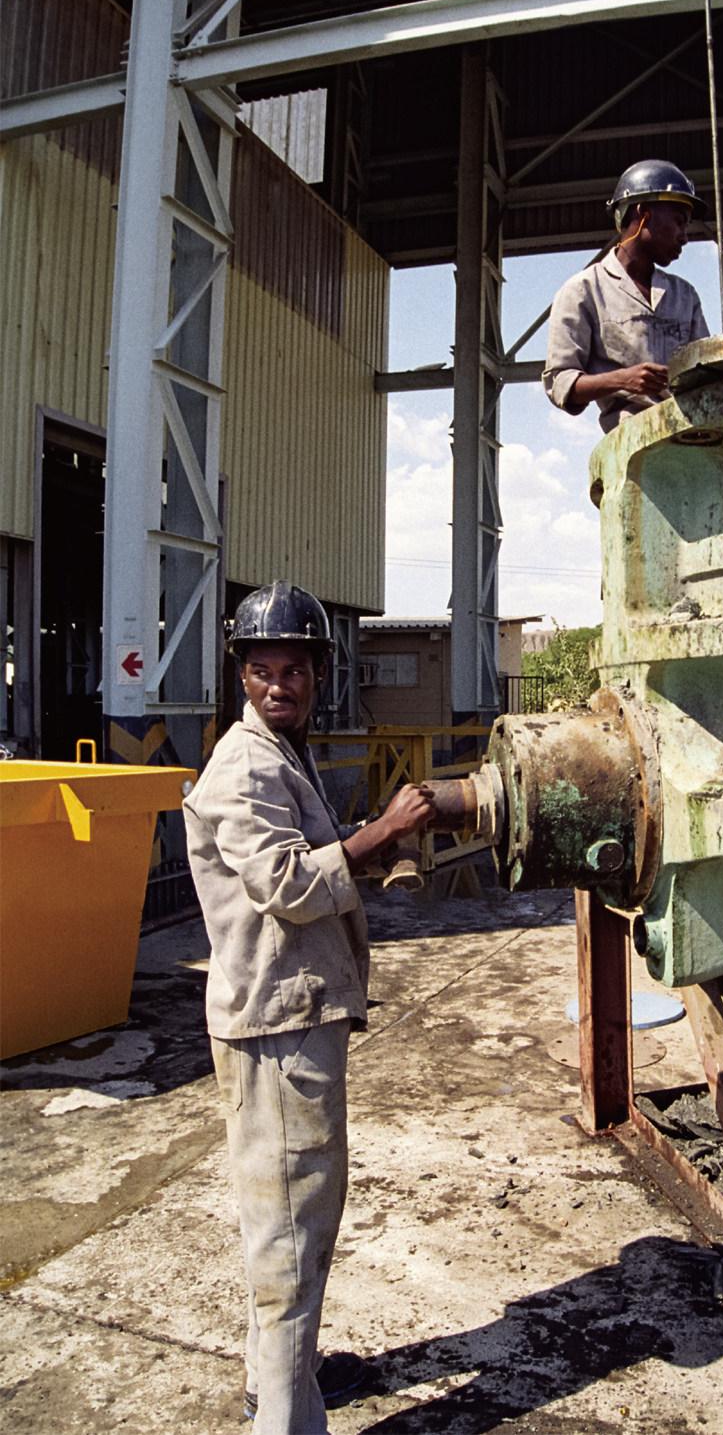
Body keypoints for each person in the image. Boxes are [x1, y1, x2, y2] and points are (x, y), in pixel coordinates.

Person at [183, 581, 435, 1433]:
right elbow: (288, 883)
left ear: (320, 675)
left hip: (294, 1016)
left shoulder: (282, 753)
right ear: (241, 676)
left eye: (295, 667)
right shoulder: (244, 764)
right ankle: (285, 1421)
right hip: (277, 1028)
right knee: (291, 1234)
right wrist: (383, 831)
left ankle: (275, 1381)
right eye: (263, 670)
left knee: (289, 1217)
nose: (279, 684)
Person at [543, 158, 709, 433]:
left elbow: (704, 374)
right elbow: (561, 383)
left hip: (690, 438)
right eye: (679, 222)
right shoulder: (583, 290)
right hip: (629, 444)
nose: (684, 237)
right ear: (643, 213)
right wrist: (623, 380)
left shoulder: (684, 296)